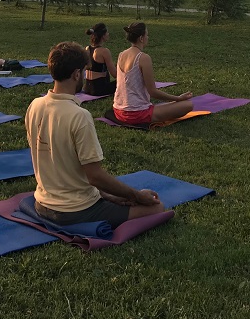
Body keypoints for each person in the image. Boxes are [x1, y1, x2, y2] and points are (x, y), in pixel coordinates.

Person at [25, 41, 165, 229]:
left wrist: (111, 196)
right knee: (157, 208)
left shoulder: (34, 105)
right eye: (83, 72)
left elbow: (66, 168)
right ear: (76, 74)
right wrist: (135, 195)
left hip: (42, 204)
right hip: (74, 210)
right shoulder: (79, 116)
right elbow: (95, 176)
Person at [112, 22, 193, 124]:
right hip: (136, 114)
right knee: (188, 105)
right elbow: (153, 92)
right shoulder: (143, 58)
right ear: (141, 38)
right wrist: (178, 98)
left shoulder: (121, 55)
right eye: (147, 35)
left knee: (166, 105)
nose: (148, 37)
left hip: (118, 111)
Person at [83, 22, 117, 96]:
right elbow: (114, 74)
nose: (108, 34)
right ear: (103, 35)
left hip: (87, 88)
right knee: (125, 82)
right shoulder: (104, 51)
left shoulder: (87, 48)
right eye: (107, 32)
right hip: (99, 89)